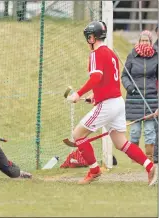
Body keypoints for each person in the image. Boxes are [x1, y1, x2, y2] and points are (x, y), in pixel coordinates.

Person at [66, 21, 157, 186]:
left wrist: (78, 94)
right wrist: (94, 96)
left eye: (88, 37)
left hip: (108, 105)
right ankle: (149, 165)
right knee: (121, 143)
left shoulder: (95, 54)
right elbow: (109, 82)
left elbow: (96, 78)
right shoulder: (111, 53)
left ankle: (94, 171)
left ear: (92, 38)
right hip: (117, 102)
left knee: (78, 135)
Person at [121, 30, 158, 162]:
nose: (144, 43)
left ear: (150, 42)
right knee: (135, 132)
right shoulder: (132, 55)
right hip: (134, 100)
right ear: (139, 41)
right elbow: (124, 75)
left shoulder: (156, 56)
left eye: (146, 41)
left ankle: (149, 158)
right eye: (142, 40)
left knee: (149, 132)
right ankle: (135, 159)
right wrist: (130, 87)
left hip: (151, 100)